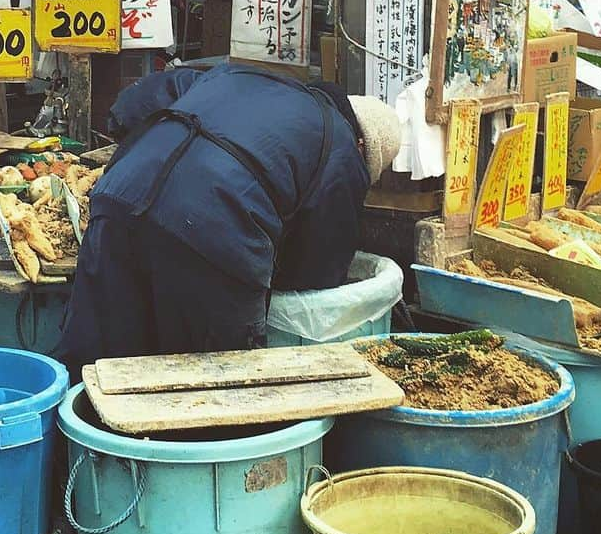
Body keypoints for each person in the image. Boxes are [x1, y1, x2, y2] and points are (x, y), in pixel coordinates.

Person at [61, 62, 402, 369]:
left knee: (99, 365)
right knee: (212, 385)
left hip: (118, 194)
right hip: (214, 228)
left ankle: (73, 439)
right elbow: (315, 273)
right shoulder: (342, 147)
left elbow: (131, 106)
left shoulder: (238, 76)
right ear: (363, 147)